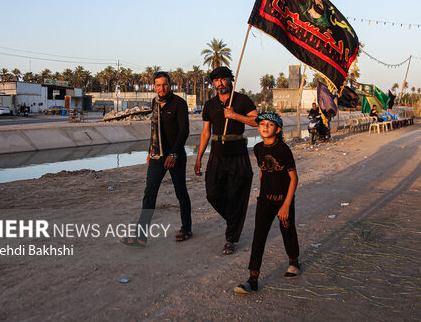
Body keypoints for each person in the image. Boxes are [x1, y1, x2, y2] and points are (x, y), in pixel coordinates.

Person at [119, 71, 191, 247]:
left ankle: (186, 228)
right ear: (154, 86)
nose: (161, 88)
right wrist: (150, 151)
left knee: (181, 192)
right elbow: (155, 129)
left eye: (164, 84)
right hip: (157, 156)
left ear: (170, 85)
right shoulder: (155, 103)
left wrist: (174, 154)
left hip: (175, 156)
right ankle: (140, 237)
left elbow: (184, 131)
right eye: (158, 85)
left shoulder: (179, 104)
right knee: (149, 195)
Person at [195, 66, 258, 255]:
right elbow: (206, 132)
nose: (220, 83)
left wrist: (235, 115)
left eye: (223, 79)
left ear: (230, 80)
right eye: (216, 81)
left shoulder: (242, 100)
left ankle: (231, 238)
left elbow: (257, 121)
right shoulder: (210, 105)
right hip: (216, 155)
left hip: (238, 153)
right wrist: (198, 157)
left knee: (237, 195)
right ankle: (234, 220)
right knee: (212, 194)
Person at [234, 112, 300, 294]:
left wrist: (286, 204)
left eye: (269, 125)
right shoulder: (258, 149)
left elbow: (293, 178)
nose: (264, 127)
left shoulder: (284, 150)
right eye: (262, 124)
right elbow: (263, 171)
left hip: (283, 200)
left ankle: (294, 262)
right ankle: (253, 278)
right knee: (259, 237)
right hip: (265, 201)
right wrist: (262, 194)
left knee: (287, 230)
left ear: (277, 129)